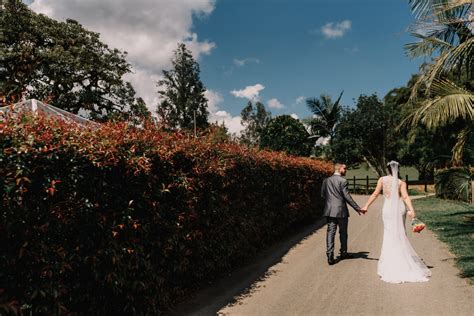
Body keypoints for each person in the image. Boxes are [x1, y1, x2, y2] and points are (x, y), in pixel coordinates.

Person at [362, 160, 431, 283]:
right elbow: (405, 197)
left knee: (389, 233)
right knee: (400, 233)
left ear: (387, 169)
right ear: (398, 169)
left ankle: (391, 261)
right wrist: (412, 210)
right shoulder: (401, 182)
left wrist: (366, 206)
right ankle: (402, 260)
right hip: (400, 209)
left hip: (388, 209)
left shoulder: (382, 180)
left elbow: (375, 194)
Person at [321, 163, 366, 265]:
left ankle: (330, 255)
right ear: (339, 168)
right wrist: (357, 208)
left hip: (329, 210)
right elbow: (347, 197)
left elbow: (323, 195)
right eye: (345, 168)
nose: (346, 170)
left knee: (330, 232)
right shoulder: (343, 181)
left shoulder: (326, 180)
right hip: (341, 211)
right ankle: (343, 253)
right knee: (343, 232)